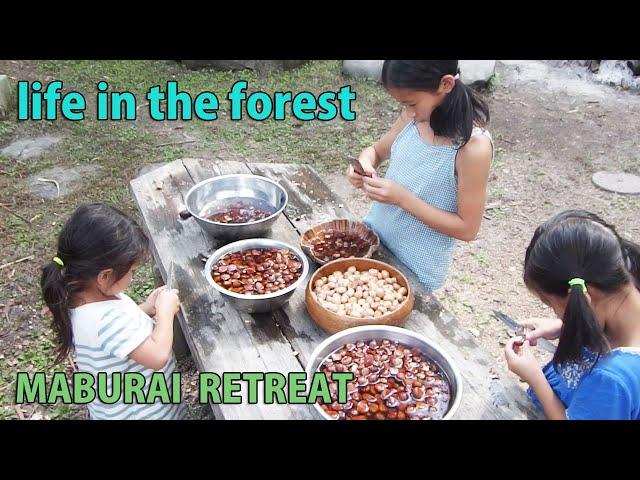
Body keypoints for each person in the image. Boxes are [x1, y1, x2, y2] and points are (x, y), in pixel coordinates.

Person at [348, 60, 494, 291]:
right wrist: (363, 164)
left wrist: (402, 199)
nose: (408, 111)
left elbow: (468, 228)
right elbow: (376, 151)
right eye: (403, 104)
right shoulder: (412, 117)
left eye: (412, 103)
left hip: (414, 272)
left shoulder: (472, 148)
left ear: (445, 84)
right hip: (373, 246)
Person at [41, 203, 185, 419]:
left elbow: (115, 335)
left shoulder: (80, 297)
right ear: (104, 276)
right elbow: (157, 356)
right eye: (132, 271)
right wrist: (164, 312)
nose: (132, 275)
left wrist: (146, 308)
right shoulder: (106, 319)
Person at [505, 210, 640, 420]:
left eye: (552, 304)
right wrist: (565, 326)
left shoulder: (612, 381)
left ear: (585, 298)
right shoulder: (626, 298)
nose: (557, 314)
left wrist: (535, 378)